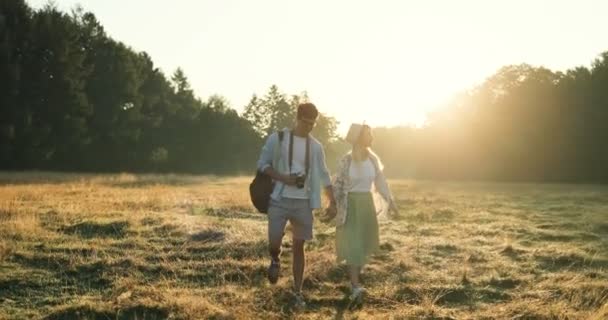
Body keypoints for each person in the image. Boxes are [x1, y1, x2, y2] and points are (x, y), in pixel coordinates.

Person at [256, 102, 337, 308]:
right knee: (274, 240)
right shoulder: (278, 138)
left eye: (313, 124)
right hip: (279, 199)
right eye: (306, 123)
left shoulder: (316, 146)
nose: (309, 127)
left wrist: (332, 201)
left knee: (299, 245)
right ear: (297, 118)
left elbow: (325, 174)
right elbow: (263, 165)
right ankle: (275, 258)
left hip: (304, 203)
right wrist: (284, 178)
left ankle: (297, 291)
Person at [326, 123, 399, 303]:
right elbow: (338, 185)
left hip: (366, 204)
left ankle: (355, 277)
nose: (372, 137)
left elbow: (381, 182)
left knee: (364, 244)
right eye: (368, 134)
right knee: (353, 245)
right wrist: (333, 205)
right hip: (350, 205)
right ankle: (355, 285)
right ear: (359, 137)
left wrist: (391, 201)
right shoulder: (347, 160)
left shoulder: (373, 160)